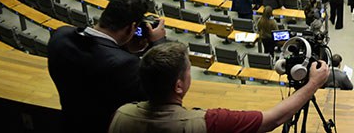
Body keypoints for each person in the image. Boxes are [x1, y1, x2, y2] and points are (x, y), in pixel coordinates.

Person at [107, 41, 329, 133]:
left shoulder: (120, 115)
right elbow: (274, 119)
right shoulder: (208, 122)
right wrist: (313, 84)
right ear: (178, 86)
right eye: (187, 70)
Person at [48, 0, 167, 133]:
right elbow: (160, 92)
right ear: (131, 28)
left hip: (69, 125)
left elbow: (98, 51)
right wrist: (158, 43)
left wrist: (125, 46)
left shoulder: (60, 37)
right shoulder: (126, 66)